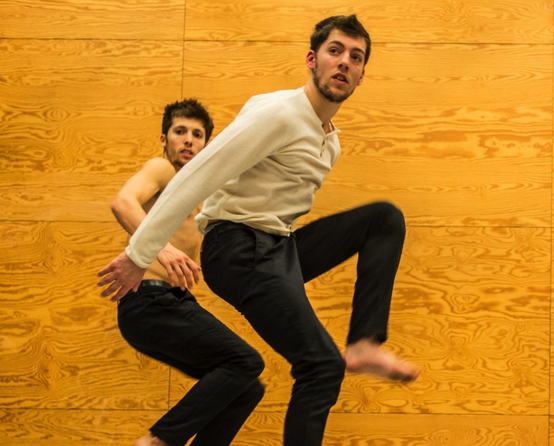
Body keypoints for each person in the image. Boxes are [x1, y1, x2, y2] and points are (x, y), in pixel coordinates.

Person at [97, 15, 420, 446]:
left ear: (361, 76)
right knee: (321, 366)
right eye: (335, 51)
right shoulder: (279, 113)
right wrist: (141, 254)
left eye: (356, 57)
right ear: (312, 60)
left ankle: (363, 343)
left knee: (384, 218)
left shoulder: (330, 141)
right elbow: (197, 177)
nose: (344, 62)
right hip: (237, 248)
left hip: (276, 247)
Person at [110, 99, 265, 446]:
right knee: (244, 361)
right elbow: (123, 202)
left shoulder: (201, 191)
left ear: (206, 144)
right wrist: (159, 247)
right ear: (164, 139)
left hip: (171, 303)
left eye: (197, 134)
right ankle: (158, 441)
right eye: (180, 132)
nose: (188, 140)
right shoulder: (161, 170)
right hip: (149, 301)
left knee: (245, 388)